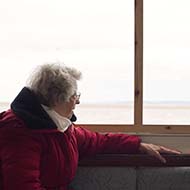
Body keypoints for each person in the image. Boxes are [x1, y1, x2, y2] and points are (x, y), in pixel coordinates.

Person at [0, 63, 180, 190]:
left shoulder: (56, 126)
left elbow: (97, 141)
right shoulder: (19, 131)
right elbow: (21, 185)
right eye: (74, 95)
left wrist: (138, 145)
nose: (77, 100)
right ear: (58, 99)